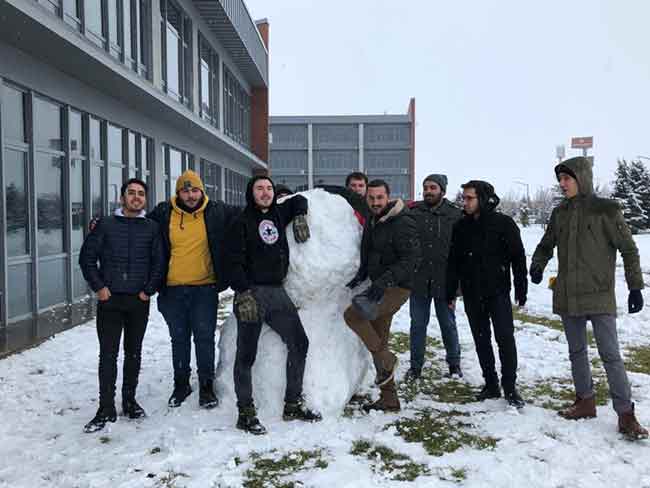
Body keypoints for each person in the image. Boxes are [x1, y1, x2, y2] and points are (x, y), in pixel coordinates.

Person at [530, 157, 648, 440]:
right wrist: (537, 263)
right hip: (569, 295)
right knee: (576, 352)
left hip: (599, 295)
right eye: (560, 179)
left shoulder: (605, 210)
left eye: (567, 179)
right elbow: (546, 244)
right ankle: (585, 401)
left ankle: (626, 414)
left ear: (581, 178)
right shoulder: (560, 212)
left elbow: (629, 249)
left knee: (611, 355)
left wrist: (635, 286)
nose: (562, 184)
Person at [227, 176, 322, 435]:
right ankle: (245, 412)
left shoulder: (280, 213)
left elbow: (299, 199)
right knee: (246, 355)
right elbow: (231, 261)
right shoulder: (240, 221)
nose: (265, 193)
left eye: (269, 188)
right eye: (260, 189)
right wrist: (242, 291)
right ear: (251, 193)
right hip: (251, 293)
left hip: (277, 292)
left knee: (299, 342)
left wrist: (300, 216)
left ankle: (292, 404)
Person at [149, 170, 240, 409]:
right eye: (185, 190)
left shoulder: (217, 212)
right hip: (172, 291)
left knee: (204, 339)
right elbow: (136, 225)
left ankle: (206, 387)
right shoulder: (162, 213)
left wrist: (284, 201)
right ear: (178, 192)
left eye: (195, 190)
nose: (190, 195)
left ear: (202, 191)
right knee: (179, 339)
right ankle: (181, 385)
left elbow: (252, 211)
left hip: (204, 289)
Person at [79, 178, 164, 433]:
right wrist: (99, 288)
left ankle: (129, 401)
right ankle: (105, 407)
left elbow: (159, 262)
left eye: (140, 194)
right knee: (108, 355)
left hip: (138, 301)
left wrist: (149, 290)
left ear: (145, 200)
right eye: (131, 193)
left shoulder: (151, 227)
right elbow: (87, 259)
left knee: (133, 353)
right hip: (110, 300)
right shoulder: (105, 225)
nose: (136, 197)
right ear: (122, 198)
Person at [447, 180, 527, 408]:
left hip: (498, 292)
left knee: (505, 338)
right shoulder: (460, 226)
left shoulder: (503, 223)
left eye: (470, 198)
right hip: (472, 294)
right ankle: (491, 383)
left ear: (483, 199)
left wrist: (521, 288)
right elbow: (453, 262)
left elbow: (518, 258)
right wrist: (450, 291)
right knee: (481, 341)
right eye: (464, 198)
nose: (465, 202)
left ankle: (510, 387)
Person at [345, 179, 420, 413]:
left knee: (353, 316)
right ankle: (390, 400)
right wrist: (361, 275)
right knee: (378, 338)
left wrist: (383, 282)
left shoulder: (402, 221)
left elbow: (411, 260)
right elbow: (370, 250)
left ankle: (387, 359)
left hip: (397, 288)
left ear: (388, 197)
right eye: (372, 198)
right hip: (379, 285)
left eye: (380, 198)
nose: (376, 202)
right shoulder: (373, 219)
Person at [408, 174, 463, 380]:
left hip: (445, 281)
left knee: (447, 324)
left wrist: (458, 284)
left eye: (433, 187)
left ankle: (454, 363)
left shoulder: (455, 214)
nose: (428, 191)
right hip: (419, 280)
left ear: (442, 190)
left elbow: (462, 250)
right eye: (426, 187)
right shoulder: (413, 212)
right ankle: (415, 367)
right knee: (417, 325)